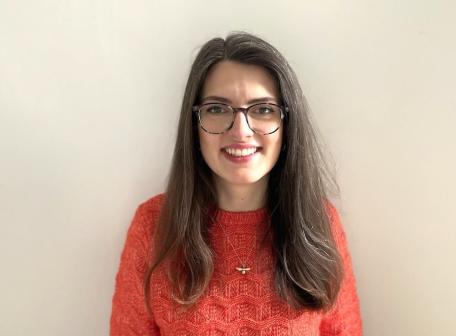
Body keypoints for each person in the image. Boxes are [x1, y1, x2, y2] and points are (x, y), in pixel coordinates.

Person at [110, 32, 362, 335]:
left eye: (263, 109)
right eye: (217, 109)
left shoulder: (319, 222)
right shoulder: (154, 226)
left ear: (286, 124)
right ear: (195, 125)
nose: (241, 131)